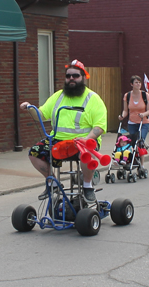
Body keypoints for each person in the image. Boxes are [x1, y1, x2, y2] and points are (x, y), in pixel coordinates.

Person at [20, 59, 107, 203]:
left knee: (87, 154)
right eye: (68, 76)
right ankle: (53, 183)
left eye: (76, 76)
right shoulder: (58, 96)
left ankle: (87, 186)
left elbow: (99, 127)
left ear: (83, 77)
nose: (71, 78)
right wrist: (30, 108)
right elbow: (41, 115)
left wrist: (87, 139)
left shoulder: (93, 98)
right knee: (35, 152)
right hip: (59, 141)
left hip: (84, 140)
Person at [119, 75, 149, 166]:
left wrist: (143, 115)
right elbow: (126, 110)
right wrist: (122, 116)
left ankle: (142, 164)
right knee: (132, 143)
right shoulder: (128, 95)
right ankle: (131, 161)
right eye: (136, 82)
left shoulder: (145, 95)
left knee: (139, 142)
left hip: (143, 122)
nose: (138, 84)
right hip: (132, 122)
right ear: (131, 84)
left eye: (139, 82)